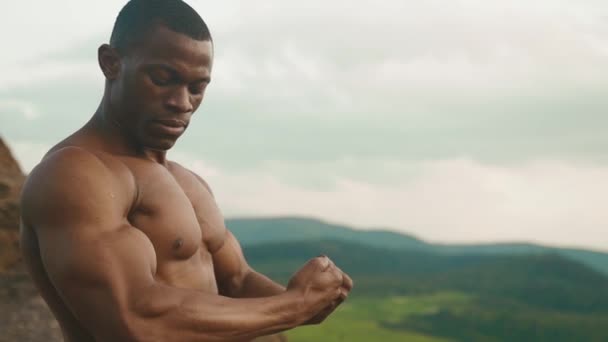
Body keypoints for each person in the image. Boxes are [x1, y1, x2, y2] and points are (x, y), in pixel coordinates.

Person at [19, 1, 353, 341]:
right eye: (163, 79)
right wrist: (293, 307)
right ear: (111, 63)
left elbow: (236, 281)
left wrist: (315, 298)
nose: (182, 103)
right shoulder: (74, 174)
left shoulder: (188, 183)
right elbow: (134, 318)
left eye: (197, 87)